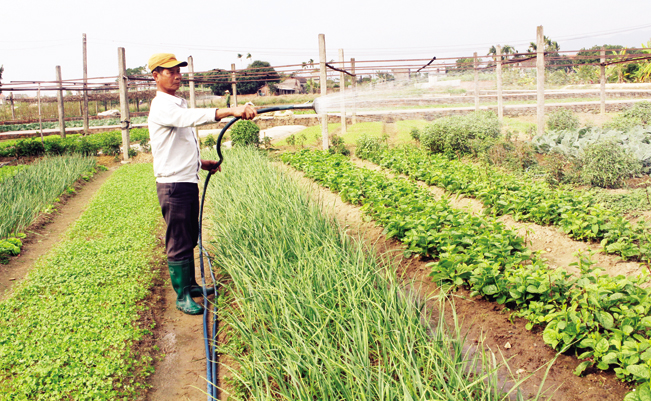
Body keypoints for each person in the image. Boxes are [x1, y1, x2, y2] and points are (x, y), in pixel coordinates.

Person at [147, 53, 256, 315]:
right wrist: (231, 110)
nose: (177, 75)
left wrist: (203, 162)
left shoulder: (176, 103)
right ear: (156, 76)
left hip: (185, 180)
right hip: (174, 185)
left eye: (178, 70)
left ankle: (191, 284)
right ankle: (182, 295)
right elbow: (188, 120)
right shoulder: (162, 105)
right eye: (170, 71)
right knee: (179, 240)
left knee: (188, 236)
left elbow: (179, 145)